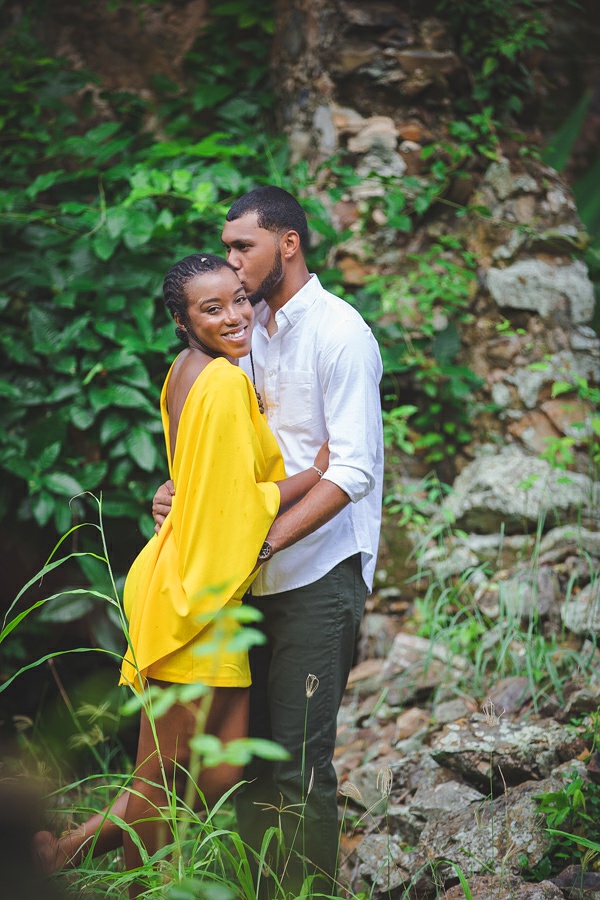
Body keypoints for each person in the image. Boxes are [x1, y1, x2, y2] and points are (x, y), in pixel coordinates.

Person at [34, 253, 330, 897]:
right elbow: (233, 505)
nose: (235, 316)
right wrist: (321, 470)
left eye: (239, 299)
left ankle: (79, 857)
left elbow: (197, 487)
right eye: (212, 308)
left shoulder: (190, 370)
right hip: (194, 591)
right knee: (159, 788)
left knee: (215, 775)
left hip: (202, 586)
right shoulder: (220, 382)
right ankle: (68, 858)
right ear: (181, 319)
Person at [153, 186, 384, 896]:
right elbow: (231, 458)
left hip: (316, 575)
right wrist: (177, 493)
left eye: (242, 246)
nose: (232, 262)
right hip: (245, 584)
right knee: (242, 764)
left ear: (287, 244)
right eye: (226, 247)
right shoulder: (245, 331)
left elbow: (351, 471)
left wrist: (262, 543)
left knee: (299, 763)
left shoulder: (341, 333)